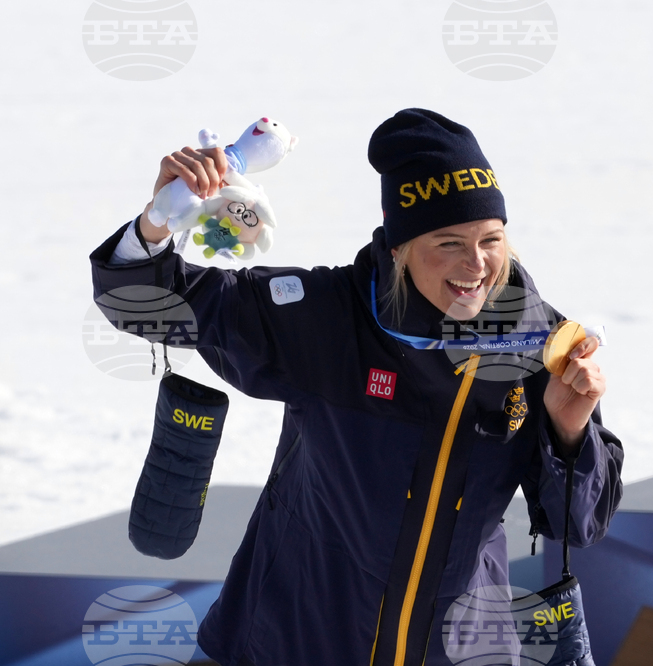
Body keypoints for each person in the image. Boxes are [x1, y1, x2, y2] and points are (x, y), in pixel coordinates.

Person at [90, 108, 624, 666]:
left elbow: (580, 523)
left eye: (491, 239)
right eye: (447, 242)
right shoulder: (329, 318)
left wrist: (570, 428)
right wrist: (157, 221)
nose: (477, 265)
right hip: (295, 640)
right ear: (399, 249)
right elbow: (149, 305)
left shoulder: (538, 343)